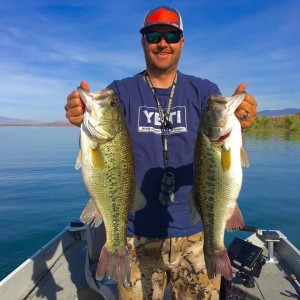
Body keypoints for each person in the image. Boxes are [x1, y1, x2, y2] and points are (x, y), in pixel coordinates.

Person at [65, 6, 257, 300]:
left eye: (171, 35)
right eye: (153, 35)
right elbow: (102, 133)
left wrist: (242, 122)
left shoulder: (204, 92)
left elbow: (225, 149)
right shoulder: (120, 92)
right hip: (133, 233)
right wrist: (80, 113)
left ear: (182, 42)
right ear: (143, 41)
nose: (162, 43)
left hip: (195, 231)